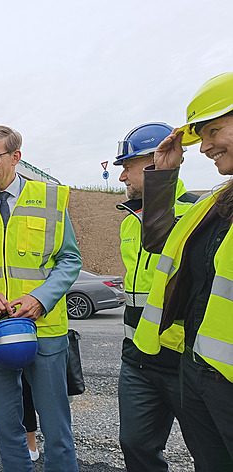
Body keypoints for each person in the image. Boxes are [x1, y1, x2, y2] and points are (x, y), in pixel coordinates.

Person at [0, 125, 81, 472]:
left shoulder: (51, 199)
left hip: (45, 330)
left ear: (16, 157)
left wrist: (41, 298)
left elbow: (70, 260)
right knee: (7, 429)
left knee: (56, 430)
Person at [133, 72, 233, 471]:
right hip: (199, 372)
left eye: (214, 130)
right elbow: (160, 239)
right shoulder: (217, 202)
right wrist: (163, 174)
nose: (205, 146)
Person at [113, 122, 202, 471]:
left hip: (184, 360)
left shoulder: (197, 210)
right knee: (135, 445)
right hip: (137, 356)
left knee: (208, 451)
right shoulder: (129, 220)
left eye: (126, 167)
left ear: (154, 162)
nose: (122, 177)